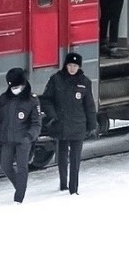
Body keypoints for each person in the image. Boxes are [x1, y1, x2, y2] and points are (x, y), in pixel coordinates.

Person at [42, 52, 98, 195]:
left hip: (78, 124)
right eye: (70, 65)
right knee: (61, 156)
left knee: (75, 158)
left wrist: (92, 124)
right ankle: (63, 184)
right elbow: (46, 100)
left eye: (75, 66)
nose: (72, 68)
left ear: (79, 67)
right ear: (65, 65)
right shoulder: (56, 80)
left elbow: (89, 105)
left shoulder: (85, 82)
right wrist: (52, 115)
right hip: (60, 124)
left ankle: (74, 189)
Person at [0, 68, 44, 204]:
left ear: (24, 84)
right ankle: (20, 186)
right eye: (12, 87)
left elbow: (36, 123)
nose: (15, 89)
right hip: (8, 139)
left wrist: (29, 137)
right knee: (5, 166)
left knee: (22, 167)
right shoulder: (4, 99)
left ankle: (19, 198)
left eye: (18, 87)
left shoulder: (32, 100)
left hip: (24, 140)